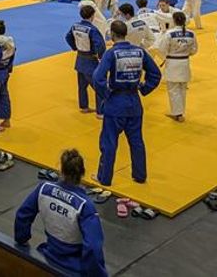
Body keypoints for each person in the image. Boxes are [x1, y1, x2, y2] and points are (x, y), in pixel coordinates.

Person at [15, 149, 107, 277]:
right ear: (82, 173)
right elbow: (92, 247)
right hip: (74, 268)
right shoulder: (85, 206)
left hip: (47, 256)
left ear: (61, 170)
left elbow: (22, 215)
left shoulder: (43, 189)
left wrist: (21, 240)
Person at [93, 21, 162, 186]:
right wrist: (144, 88)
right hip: (134, 102)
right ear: (126, 34)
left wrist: (106, 94)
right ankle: (140, 175)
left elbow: (97, 77)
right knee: (136, 141)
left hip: (115, 102)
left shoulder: (111, 54)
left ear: (112, 34)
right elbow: (155, 74)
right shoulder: (140, 52)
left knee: (109, 142)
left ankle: (105, 177)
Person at [154, 11, 198, 122]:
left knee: (173, 90)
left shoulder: (169, 34)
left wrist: (167, 56)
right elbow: (194, 50)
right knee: (182, 89)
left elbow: (162, 49)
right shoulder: (191, 33)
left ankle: (177, 113)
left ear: (173, 21)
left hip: (173, 62)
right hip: (184, 62)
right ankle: (180, 112)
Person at [65, 5, 107, 115]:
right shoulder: (92, 29)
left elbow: (68, 37)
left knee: (82, 86)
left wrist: (74, 47)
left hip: (80, 58)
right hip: (90, 60)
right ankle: (100, 112)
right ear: (93, 15)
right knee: (99, 86)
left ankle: (83, 107)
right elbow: (100, 45)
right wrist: (101, 57)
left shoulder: (75, 26)